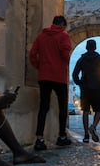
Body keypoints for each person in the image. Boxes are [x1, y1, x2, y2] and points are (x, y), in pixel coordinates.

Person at [29, 15, 72, 150]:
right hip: (59, 76)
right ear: (62, 25)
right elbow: (66, 55)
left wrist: (40, 66)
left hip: (44, 76)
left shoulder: (42, 36)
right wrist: (62, 63)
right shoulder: (63, 35)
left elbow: (32, 54)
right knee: (63, 107)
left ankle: (39, 139)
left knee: (43, 107)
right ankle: (62, 137)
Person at [72, 39, 100, 143]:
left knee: (85, 112)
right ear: (95, 47)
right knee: (98, 111)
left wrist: (80, 83)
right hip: (97, 88)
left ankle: (86, 135)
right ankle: (94, 126)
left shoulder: (82, 59)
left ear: (87, 47)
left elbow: (74, 74)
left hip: (85, 89)